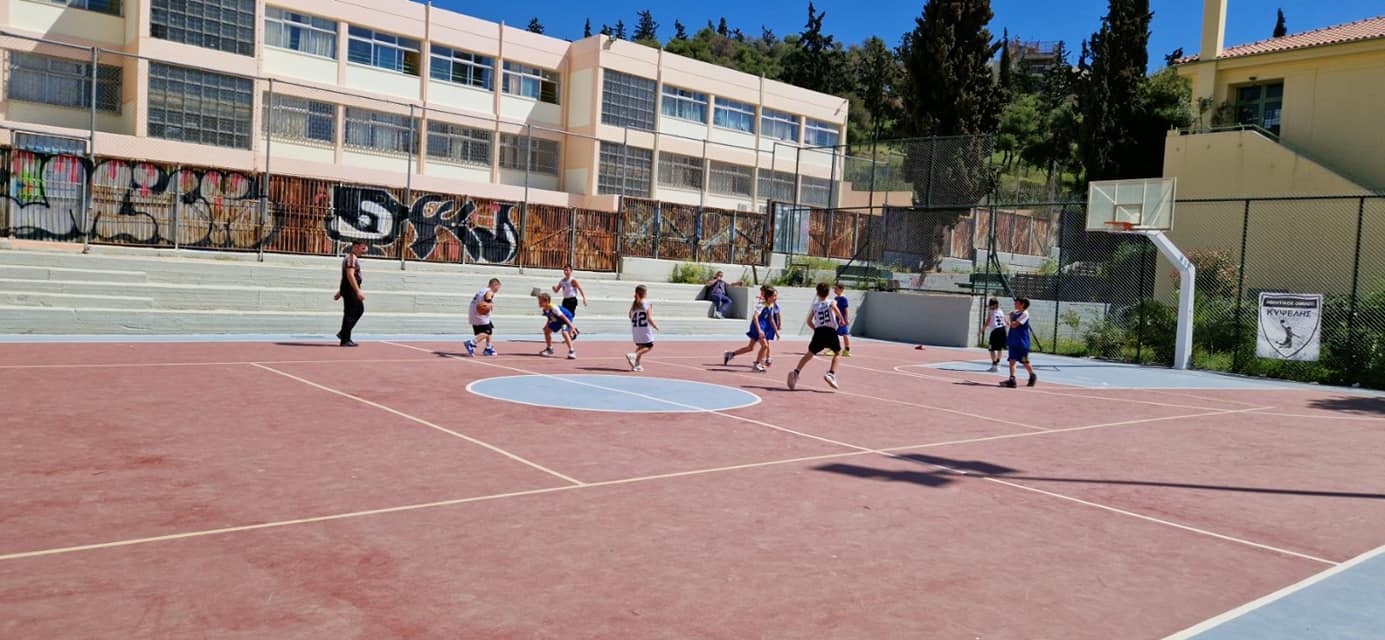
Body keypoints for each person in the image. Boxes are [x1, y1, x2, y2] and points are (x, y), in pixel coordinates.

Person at [788, 283, 845, 390]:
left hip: (819, 331)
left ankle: (796, 372)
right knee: (837, 352)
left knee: (810, 354)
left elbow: (809, 321)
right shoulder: (831, 302)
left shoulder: (815, 306)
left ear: (817, 293)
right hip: (830, 330)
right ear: (828, 293)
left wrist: (816, 329)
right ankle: (831, 374)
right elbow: (835, 309)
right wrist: (841, 319)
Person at [723, 286, 777, 372]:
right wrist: (759, 330)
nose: (776, 297)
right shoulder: (761, 305)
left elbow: (771, 318)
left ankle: (730, 354)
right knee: (765, 346)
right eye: (774, 296)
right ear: (769, 296)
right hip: (757, 327)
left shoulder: (771, 305)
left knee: (750, 348)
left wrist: (776, 331)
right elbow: (755, 317)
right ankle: (756, 364)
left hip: (761, 328)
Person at [332, 240, 367, 347]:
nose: (364, 251)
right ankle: (345, 337)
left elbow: (346, 278)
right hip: (351, 290)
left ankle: (344, 334)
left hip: (348, 289)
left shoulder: (352, 258)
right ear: (356, 246)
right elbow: (350, 275)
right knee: (353, 312)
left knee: (355, 311)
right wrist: (357, 291)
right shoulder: (351, 258)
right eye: (362, 248)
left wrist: (340, 291)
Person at [1001, 297, 1037, 388]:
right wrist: (1011, 317)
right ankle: (1012, 379)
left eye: (1017, 302)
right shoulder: (1016, 313)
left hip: (1022, 343)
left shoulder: (1025, 314)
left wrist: (1010, 318)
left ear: (1022, 304)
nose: (1015, 304)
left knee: (1024, 361)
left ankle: (1032, 375)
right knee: (1012, 360)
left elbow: (1014, 325)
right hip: (1013, 341)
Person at [626, 285, 659, 372]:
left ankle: (636, 364)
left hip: (636, 329)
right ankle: (634, 355)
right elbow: (649, 318)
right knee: (649, 346)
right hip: (644, 329)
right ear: (644, 293)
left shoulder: (634, 304)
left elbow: (630, 316)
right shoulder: (647, 303)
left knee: (641, 346)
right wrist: (655, 326)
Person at [465, 278, 501, 357]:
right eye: (498, 287)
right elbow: (487, 301)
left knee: (490, 327)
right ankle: (471, 343)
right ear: (495, 285)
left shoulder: (482, 290)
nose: (498, 289)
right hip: (480, 315)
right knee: (486, 332)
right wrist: (489, 305)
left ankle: (488, 348)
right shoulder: (489, 291)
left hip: (474, 313)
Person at [537, 292, 577, 359]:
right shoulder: (545, 310)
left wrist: (571, 326)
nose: (539, 303)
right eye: (539, 301)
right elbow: (550, 317)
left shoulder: (554, 308)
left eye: (540, 302)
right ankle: (549, 349)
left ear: (546, 301)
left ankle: (572, 351)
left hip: (566, 319)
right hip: (557, 320)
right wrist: (546, 326)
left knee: (564, 332)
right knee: (547, 331)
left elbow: (563, 317)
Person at [981, 298, 1007, 372]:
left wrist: (982, 330)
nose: (990, 306)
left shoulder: (991, 311)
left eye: (991, 305)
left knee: (991, 348)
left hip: (996, 330)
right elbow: (1006, 320)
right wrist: (1009, 325)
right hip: (1003, 329)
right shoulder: (1001, 311)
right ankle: (997, 363)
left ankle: (994, 365)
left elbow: (987, 321)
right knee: (999, 348)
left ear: (994, 305)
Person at [833, 283, 852, 357]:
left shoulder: (843, 298)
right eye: (834, 289)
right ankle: (834, 348)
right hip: (836, 319)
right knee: (834, 334)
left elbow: (846, 309)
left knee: (844, 334)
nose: (834, 290)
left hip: (842, 320)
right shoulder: (836, 298)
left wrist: (846, 319)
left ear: (841, 289)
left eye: (836, 289)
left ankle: (846, 350)